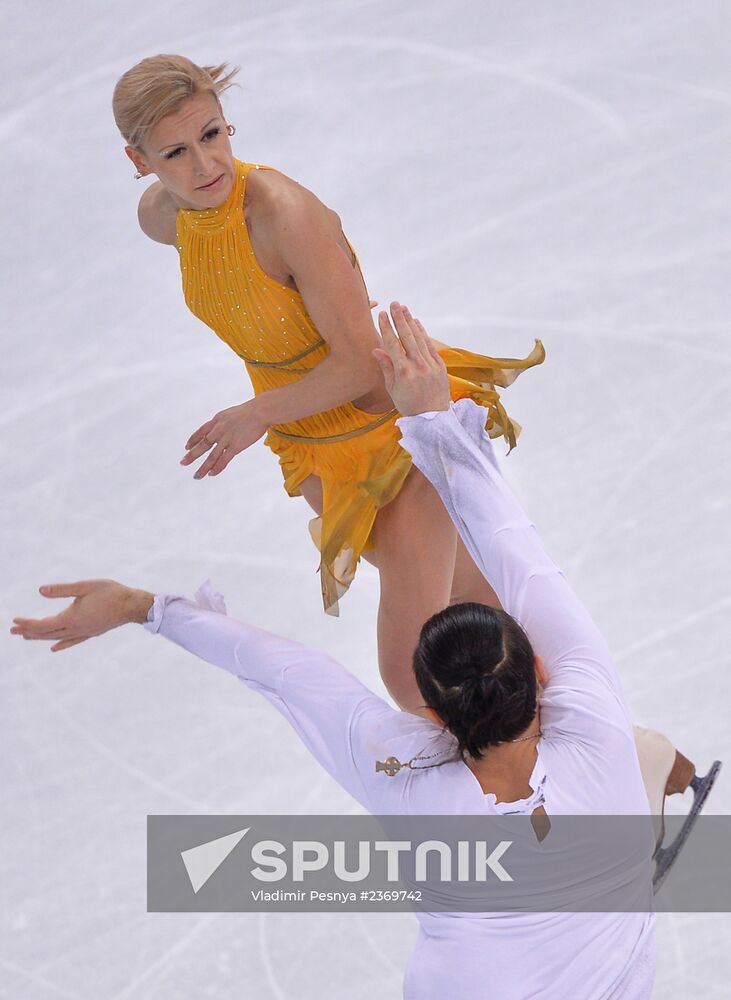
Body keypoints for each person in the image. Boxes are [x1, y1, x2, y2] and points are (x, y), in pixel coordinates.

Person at [14, 307, 705, 998]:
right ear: (536, 670)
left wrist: (147, 608)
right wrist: (435, 420)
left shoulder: (406, 780)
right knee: (633, 753)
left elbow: (292, 676)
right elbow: (518, 551)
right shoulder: (590, 712)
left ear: (429, 707)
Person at [112, 52, 545, 712]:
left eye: (212, 134)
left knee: (413, 676)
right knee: (478, 615)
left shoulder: (285, 215)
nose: (205, 166)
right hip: (310, 437)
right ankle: (625, 764)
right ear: (138, 162)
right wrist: (272, 414)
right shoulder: (162, 219)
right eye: (175, 152)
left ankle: (557, 790)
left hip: (392, 438)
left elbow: (358, 359)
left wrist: (254, 412)